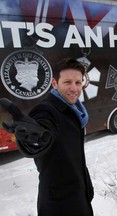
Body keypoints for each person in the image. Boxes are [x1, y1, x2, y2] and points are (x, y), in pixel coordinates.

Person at [0, 58, 94, 216]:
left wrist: (86, 185)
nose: (74, 88)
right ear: (55, 84)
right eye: (67, 82)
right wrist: (32, 138)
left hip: (79, 194)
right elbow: (41, 135)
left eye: (78, 83)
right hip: (59, 204)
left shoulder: (76, 111)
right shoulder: (46, 111)